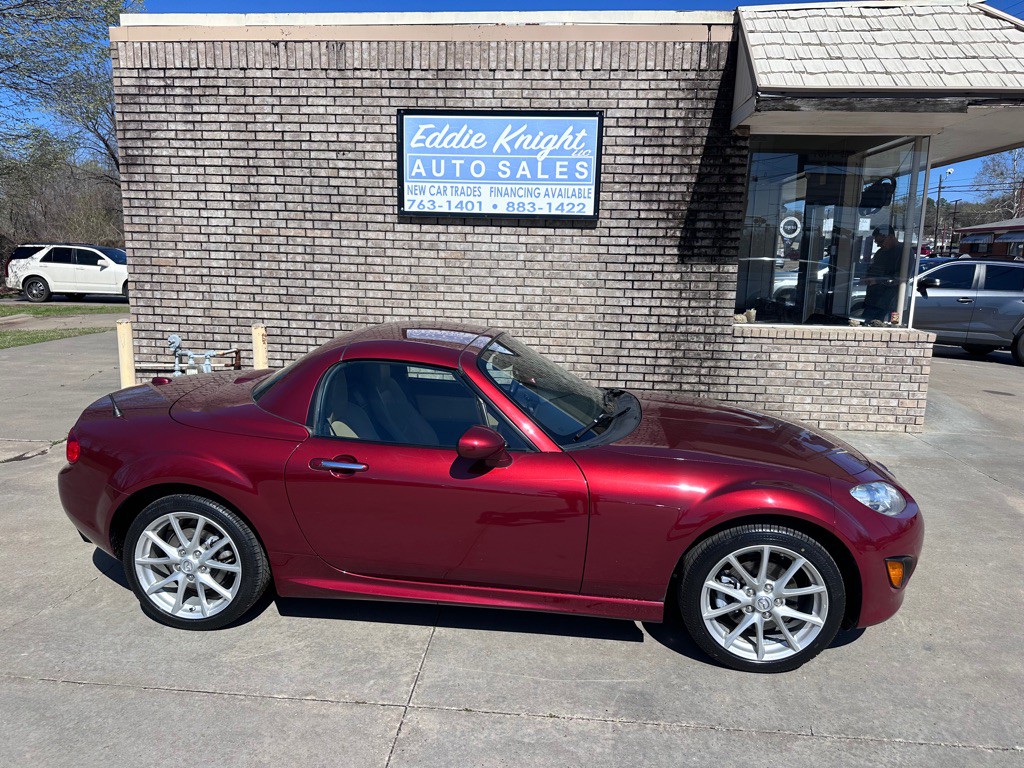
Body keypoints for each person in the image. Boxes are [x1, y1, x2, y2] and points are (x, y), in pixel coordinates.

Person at [863, 226, 903, 322]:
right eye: (877, 243)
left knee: (892, 327)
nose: (879, 245)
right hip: (874, 300)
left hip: (891, 302)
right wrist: (867, 277)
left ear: (890, 237)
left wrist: (876, 280)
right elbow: (873, 268)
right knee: (866, 325)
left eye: (881, 242)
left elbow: (901, 278)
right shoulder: (881, 252)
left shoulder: (903, 252)